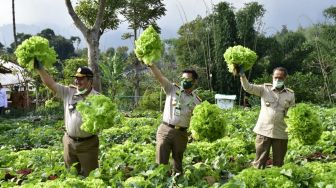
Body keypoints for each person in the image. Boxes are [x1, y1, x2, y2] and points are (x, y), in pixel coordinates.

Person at [34, 59, 99, 176]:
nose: (77, 81)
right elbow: (50, 83)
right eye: (76, 78)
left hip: (88, 144)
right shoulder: (69, 92)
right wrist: (40, 69)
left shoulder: (97, 98)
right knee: (71, 175)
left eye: (81, 79)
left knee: (91, 176)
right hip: (69, 143)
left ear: (90, 80)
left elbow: (103, 122)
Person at [147, 64, 201, 175]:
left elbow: (198, 120)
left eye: (188, 79)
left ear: (194, 81)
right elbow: (160, 77)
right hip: (165, 129)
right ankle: (161, 182)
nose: (184, 81)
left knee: (178, 164)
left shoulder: (197, 101)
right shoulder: (172, 88)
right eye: (183, 78)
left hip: (181, 134)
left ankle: (176, 183)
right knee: (161, 163)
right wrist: (151, 65)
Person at [237, 66, 295, 169]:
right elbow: (248, 87)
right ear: (272, 77)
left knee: (279, 164)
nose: (278, 80)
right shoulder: (265, 89)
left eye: (280, 78)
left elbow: (293, 113)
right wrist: (242, 75)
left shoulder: (290, 94)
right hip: (264, 131)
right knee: (259, 162)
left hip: (281, 132)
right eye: (276, 77)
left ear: (285, 78)